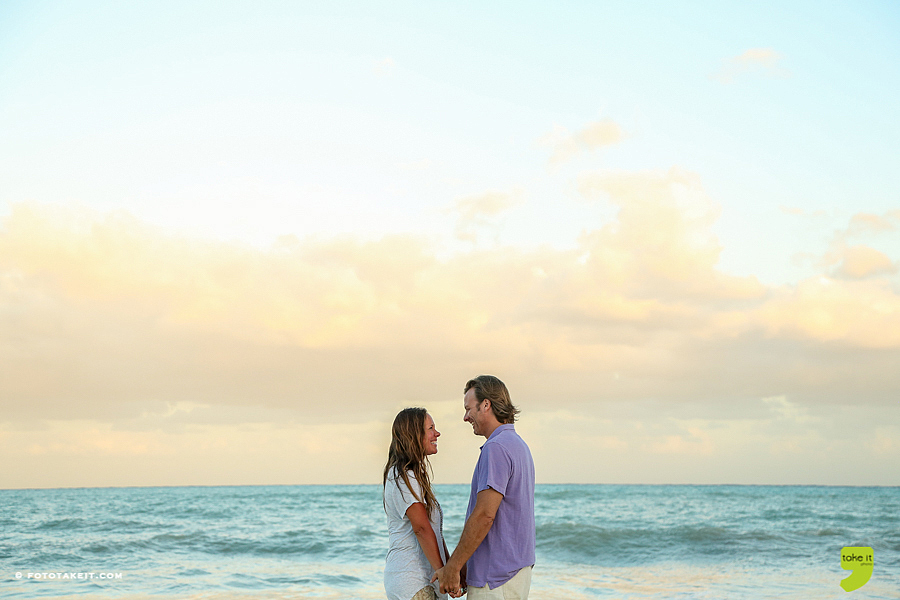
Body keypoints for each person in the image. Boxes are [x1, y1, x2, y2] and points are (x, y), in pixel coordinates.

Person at [433, 375, 536, 599]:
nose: (465, 417)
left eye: (469, 409)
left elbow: (484, 516)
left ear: (486, 405)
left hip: (495, 577)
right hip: (516, 572)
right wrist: (467, 567)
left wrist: (453, 566)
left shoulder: (496, 448)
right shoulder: (519, 446)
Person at [384, 407, 455, 600]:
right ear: (415, 435)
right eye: (431, 428)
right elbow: (421, 529)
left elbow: (434, 532)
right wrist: (443, 571)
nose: (437, 433)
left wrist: (450, 570)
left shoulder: (410, 476)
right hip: (413, 580)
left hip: (420, 581)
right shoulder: (403, 477)